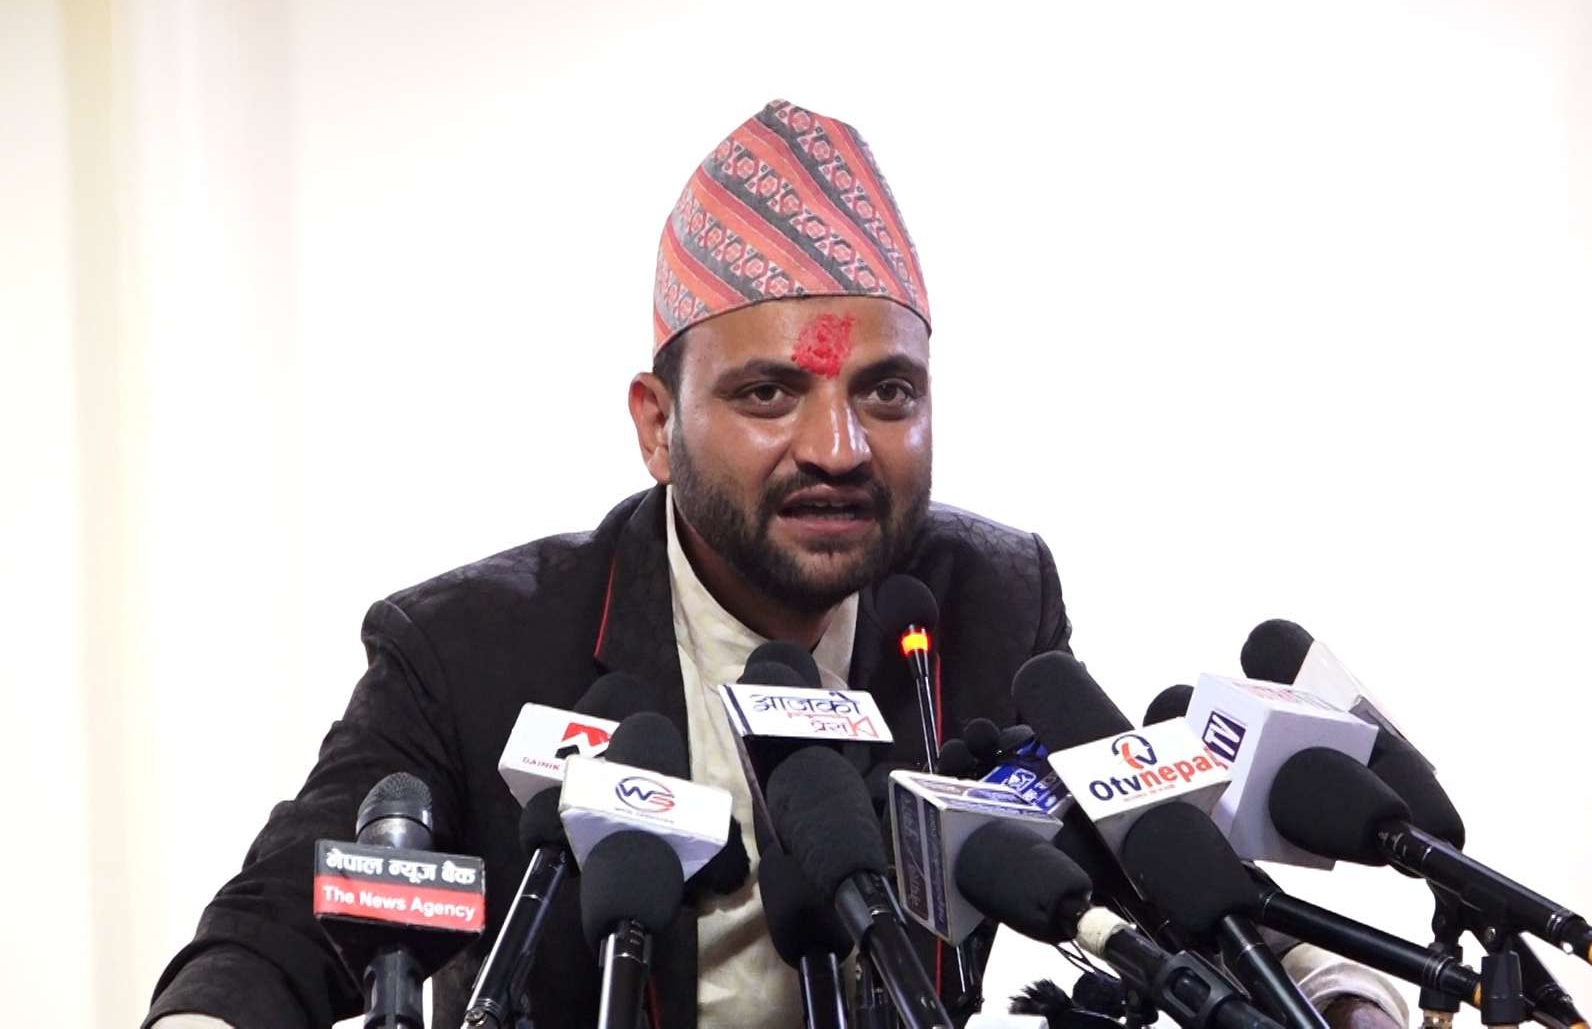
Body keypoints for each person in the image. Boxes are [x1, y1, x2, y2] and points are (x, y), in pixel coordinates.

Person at [145, 100, 1408, 1028]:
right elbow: (280, 928)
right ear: (656, 425)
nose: (839, 449)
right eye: (767, 395)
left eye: (887, 393)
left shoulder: (988, 600)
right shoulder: (473, 650)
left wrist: (1334, 994)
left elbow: (1145, 850)